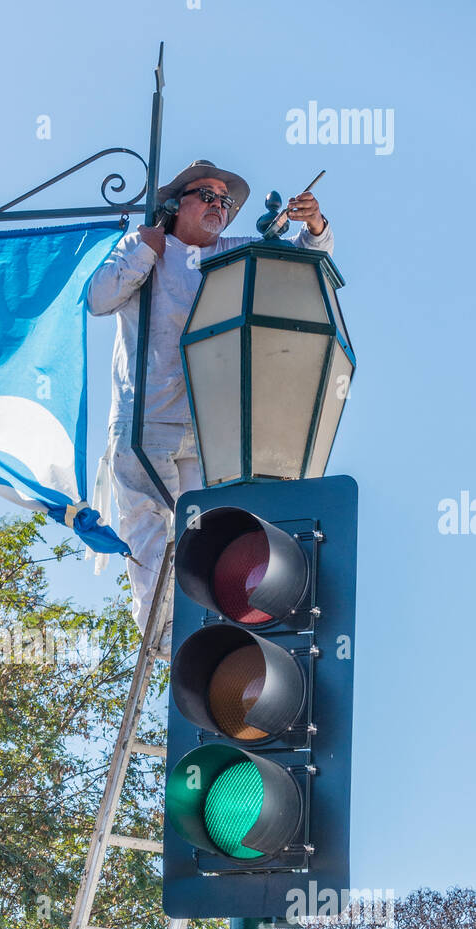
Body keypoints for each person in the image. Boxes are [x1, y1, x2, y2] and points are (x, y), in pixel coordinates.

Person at [87, 158, 333, 657]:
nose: (219, 205)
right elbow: (98, 299)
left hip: (207, 424)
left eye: (226, 200)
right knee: (149, 527)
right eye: (208, 195)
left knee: (208, 527)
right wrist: (144, 251)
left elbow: (297, 265)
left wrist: (315, 226)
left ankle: (215, 635)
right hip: (146, 418)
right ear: (177, 203)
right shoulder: (144, 248)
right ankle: (167, 639)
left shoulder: (233, 253)